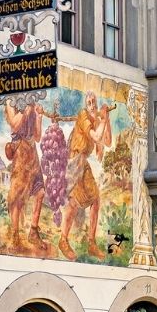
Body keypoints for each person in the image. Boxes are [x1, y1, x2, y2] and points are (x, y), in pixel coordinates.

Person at [59, 91, 113, 260]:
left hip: (84, 163)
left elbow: (108, 141)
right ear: (86, 105)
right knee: (74, 203)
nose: (91, 105)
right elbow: (96, 136)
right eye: (89, 102)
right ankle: (63, 240)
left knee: (95, 199)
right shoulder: (83, 116)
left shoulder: (96, 119)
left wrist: (106, 119)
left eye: (94, 102)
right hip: (74, 161)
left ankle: (91, 243)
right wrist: (103, 119)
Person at [3, 101, 48, 252]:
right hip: (20, 151)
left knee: (40, 192)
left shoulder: (32, 101)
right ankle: (15, 236)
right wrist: (27, 109)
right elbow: (15, 125)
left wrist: (39, 116)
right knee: (17, 197)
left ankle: (33, 232)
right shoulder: (11, 102)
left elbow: (37, 136)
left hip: (32, 152)